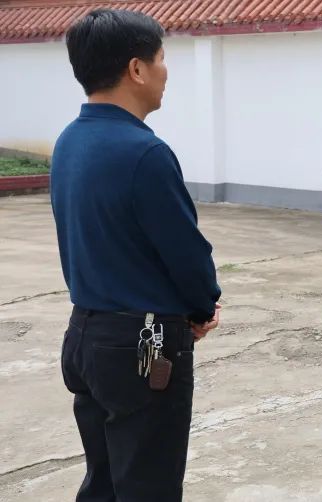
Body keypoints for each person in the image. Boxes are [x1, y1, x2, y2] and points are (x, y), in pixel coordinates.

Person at [51, 9, 221, 501]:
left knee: (104, 482)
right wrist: (202, 306)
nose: (166, 71)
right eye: (161, 58)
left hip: (86, 335)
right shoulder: (144, 152)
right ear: (137, 69)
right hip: (142, 346)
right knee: (149, 485)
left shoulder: (69, 141)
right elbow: (185, 251)